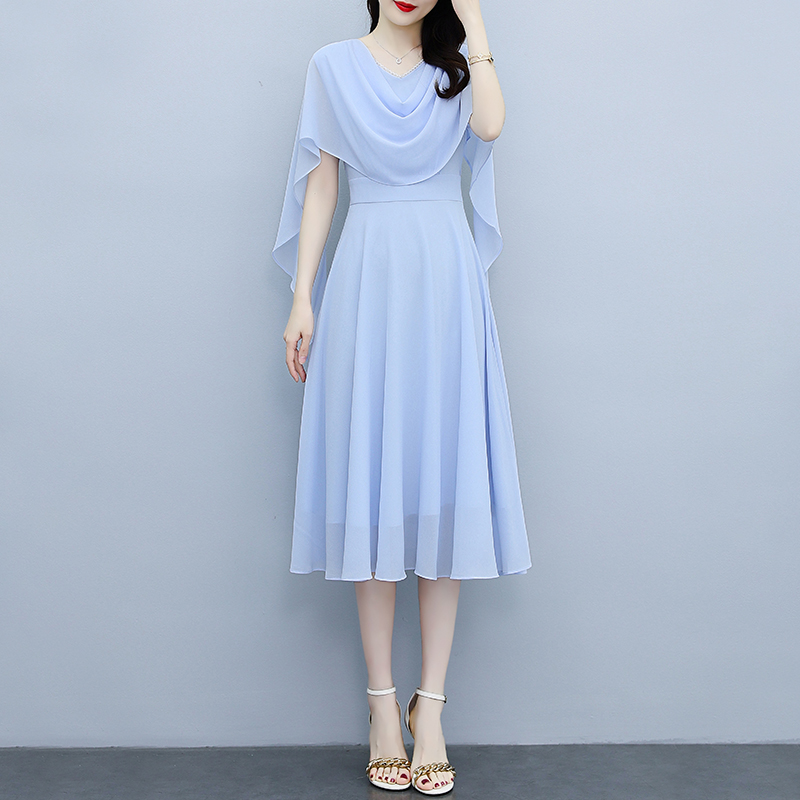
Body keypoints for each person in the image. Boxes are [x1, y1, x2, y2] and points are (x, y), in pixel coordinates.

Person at [272, 0, 531, 794]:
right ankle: (383, 706)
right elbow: (323, 184)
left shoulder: (457, 72)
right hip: (367, 283)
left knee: (443, 495)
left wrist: (475, 25)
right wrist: (303, 296)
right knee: (374, 492)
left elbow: (491, 126)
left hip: (446, 289)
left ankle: (434, 708)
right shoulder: (331, 66)